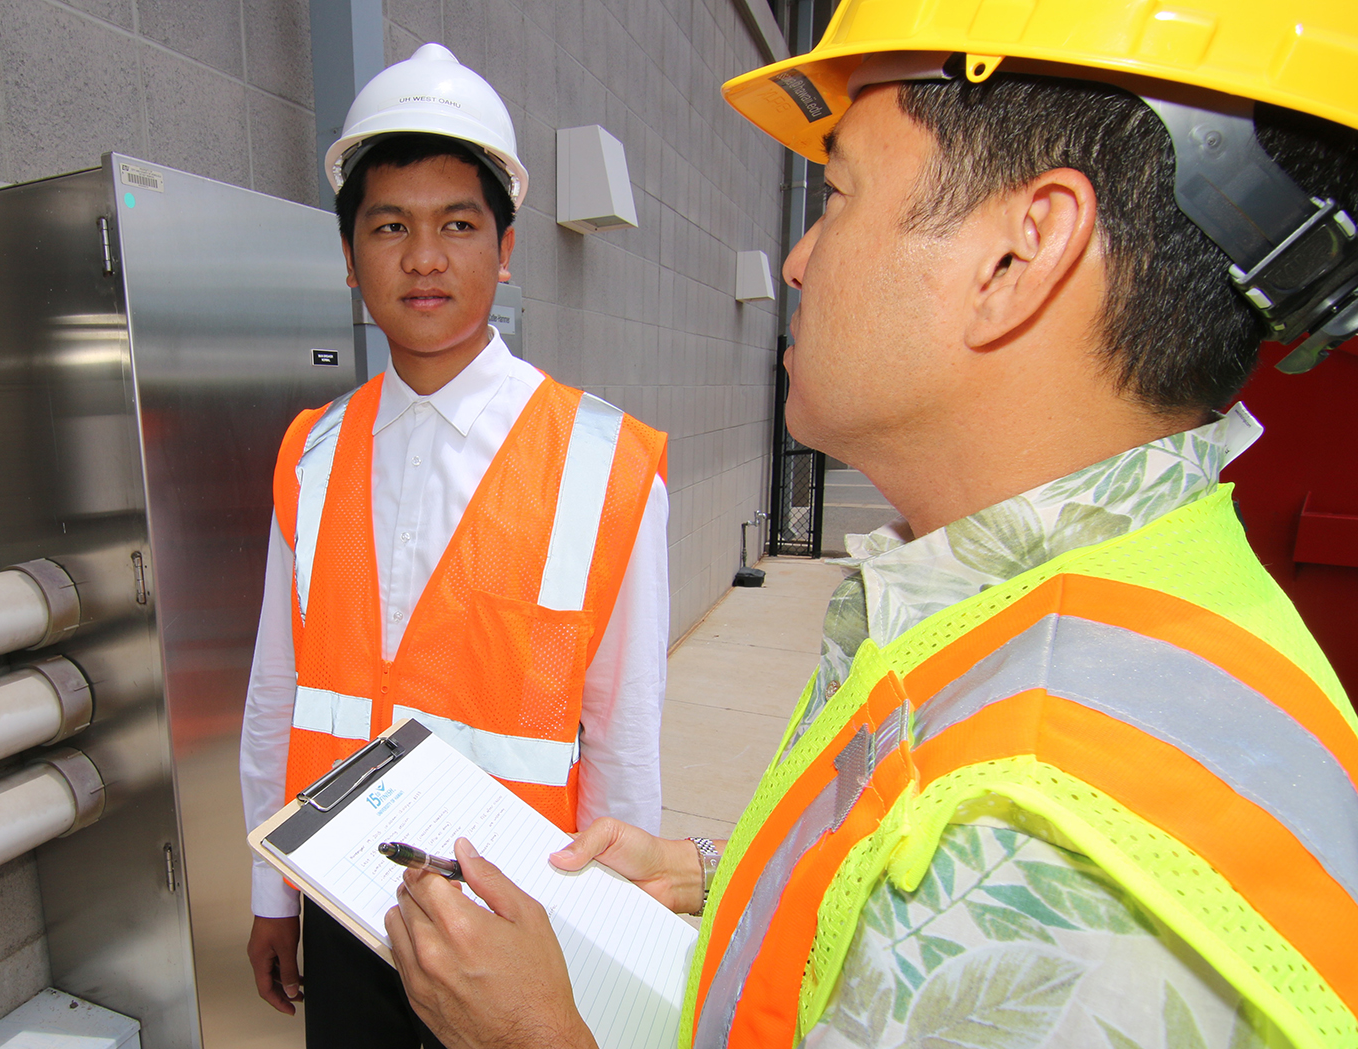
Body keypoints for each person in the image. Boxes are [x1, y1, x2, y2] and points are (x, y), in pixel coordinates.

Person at [381, 3, 1358, 1048]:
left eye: (838, 192)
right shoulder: (1091, 606)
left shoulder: (1047, 860)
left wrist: (530, 1033)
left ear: (1019, 255)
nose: (798, 260)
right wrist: (717, 877)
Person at [239, 43, 670, 1049]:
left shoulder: (604, 459)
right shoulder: (311, 451)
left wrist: (607, 933)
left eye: (458, 226)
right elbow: (277, 690)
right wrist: (272, 888)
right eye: (389, 227)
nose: (423, 258)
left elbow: (622, 730)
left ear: (505, 248)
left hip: (518, 919)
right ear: (349, 258)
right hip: (346, 898)